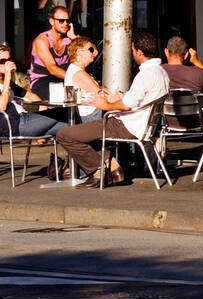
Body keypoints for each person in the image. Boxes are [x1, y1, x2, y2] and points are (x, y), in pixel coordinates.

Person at [56, 31, 170, 188]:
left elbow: (126, 105)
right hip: (140, 125)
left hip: (126, 125)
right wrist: (117, 99)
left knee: (64, 135)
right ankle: (111, 167)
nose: (132, 54)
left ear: (139, 52)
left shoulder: (145, 74)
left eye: (132, 50)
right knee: (86, 132)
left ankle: (99, 169)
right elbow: (135, 101)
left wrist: (106, 105)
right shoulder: (162, 72)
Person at [0, 44, 69, 149]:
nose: (7, 64)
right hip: (13, 124)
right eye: (2, 61)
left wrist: (42, 106)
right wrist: (8, 76)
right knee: (64, 112)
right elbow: (2, 106)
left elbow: (29, 95)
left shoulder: (4, 81)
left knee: (69, 128)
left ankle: (71, 163)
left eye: (9, 60)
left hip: (24, 119)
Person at [28, 6, 72, 99]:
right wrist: (75, 78)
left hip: (62, 79)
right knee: (62, 97)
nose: (65, 24)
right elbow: (52, 68)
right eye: (61, 21)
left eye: (67, 21)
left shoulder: (68, 40)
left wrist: (75, 37)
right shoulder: (42, 40)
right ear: (52, 21)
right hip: (41, 80)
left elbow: (93, 52)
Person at [63, 36, 103, 120]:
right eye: (90, 50)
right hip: (91, 116)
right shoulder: (79, 74)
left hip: (89, 115)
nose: (94, 53)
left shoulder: (73, 69)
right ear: (80, 52)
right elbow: (101, 94)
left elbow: (96, 52)